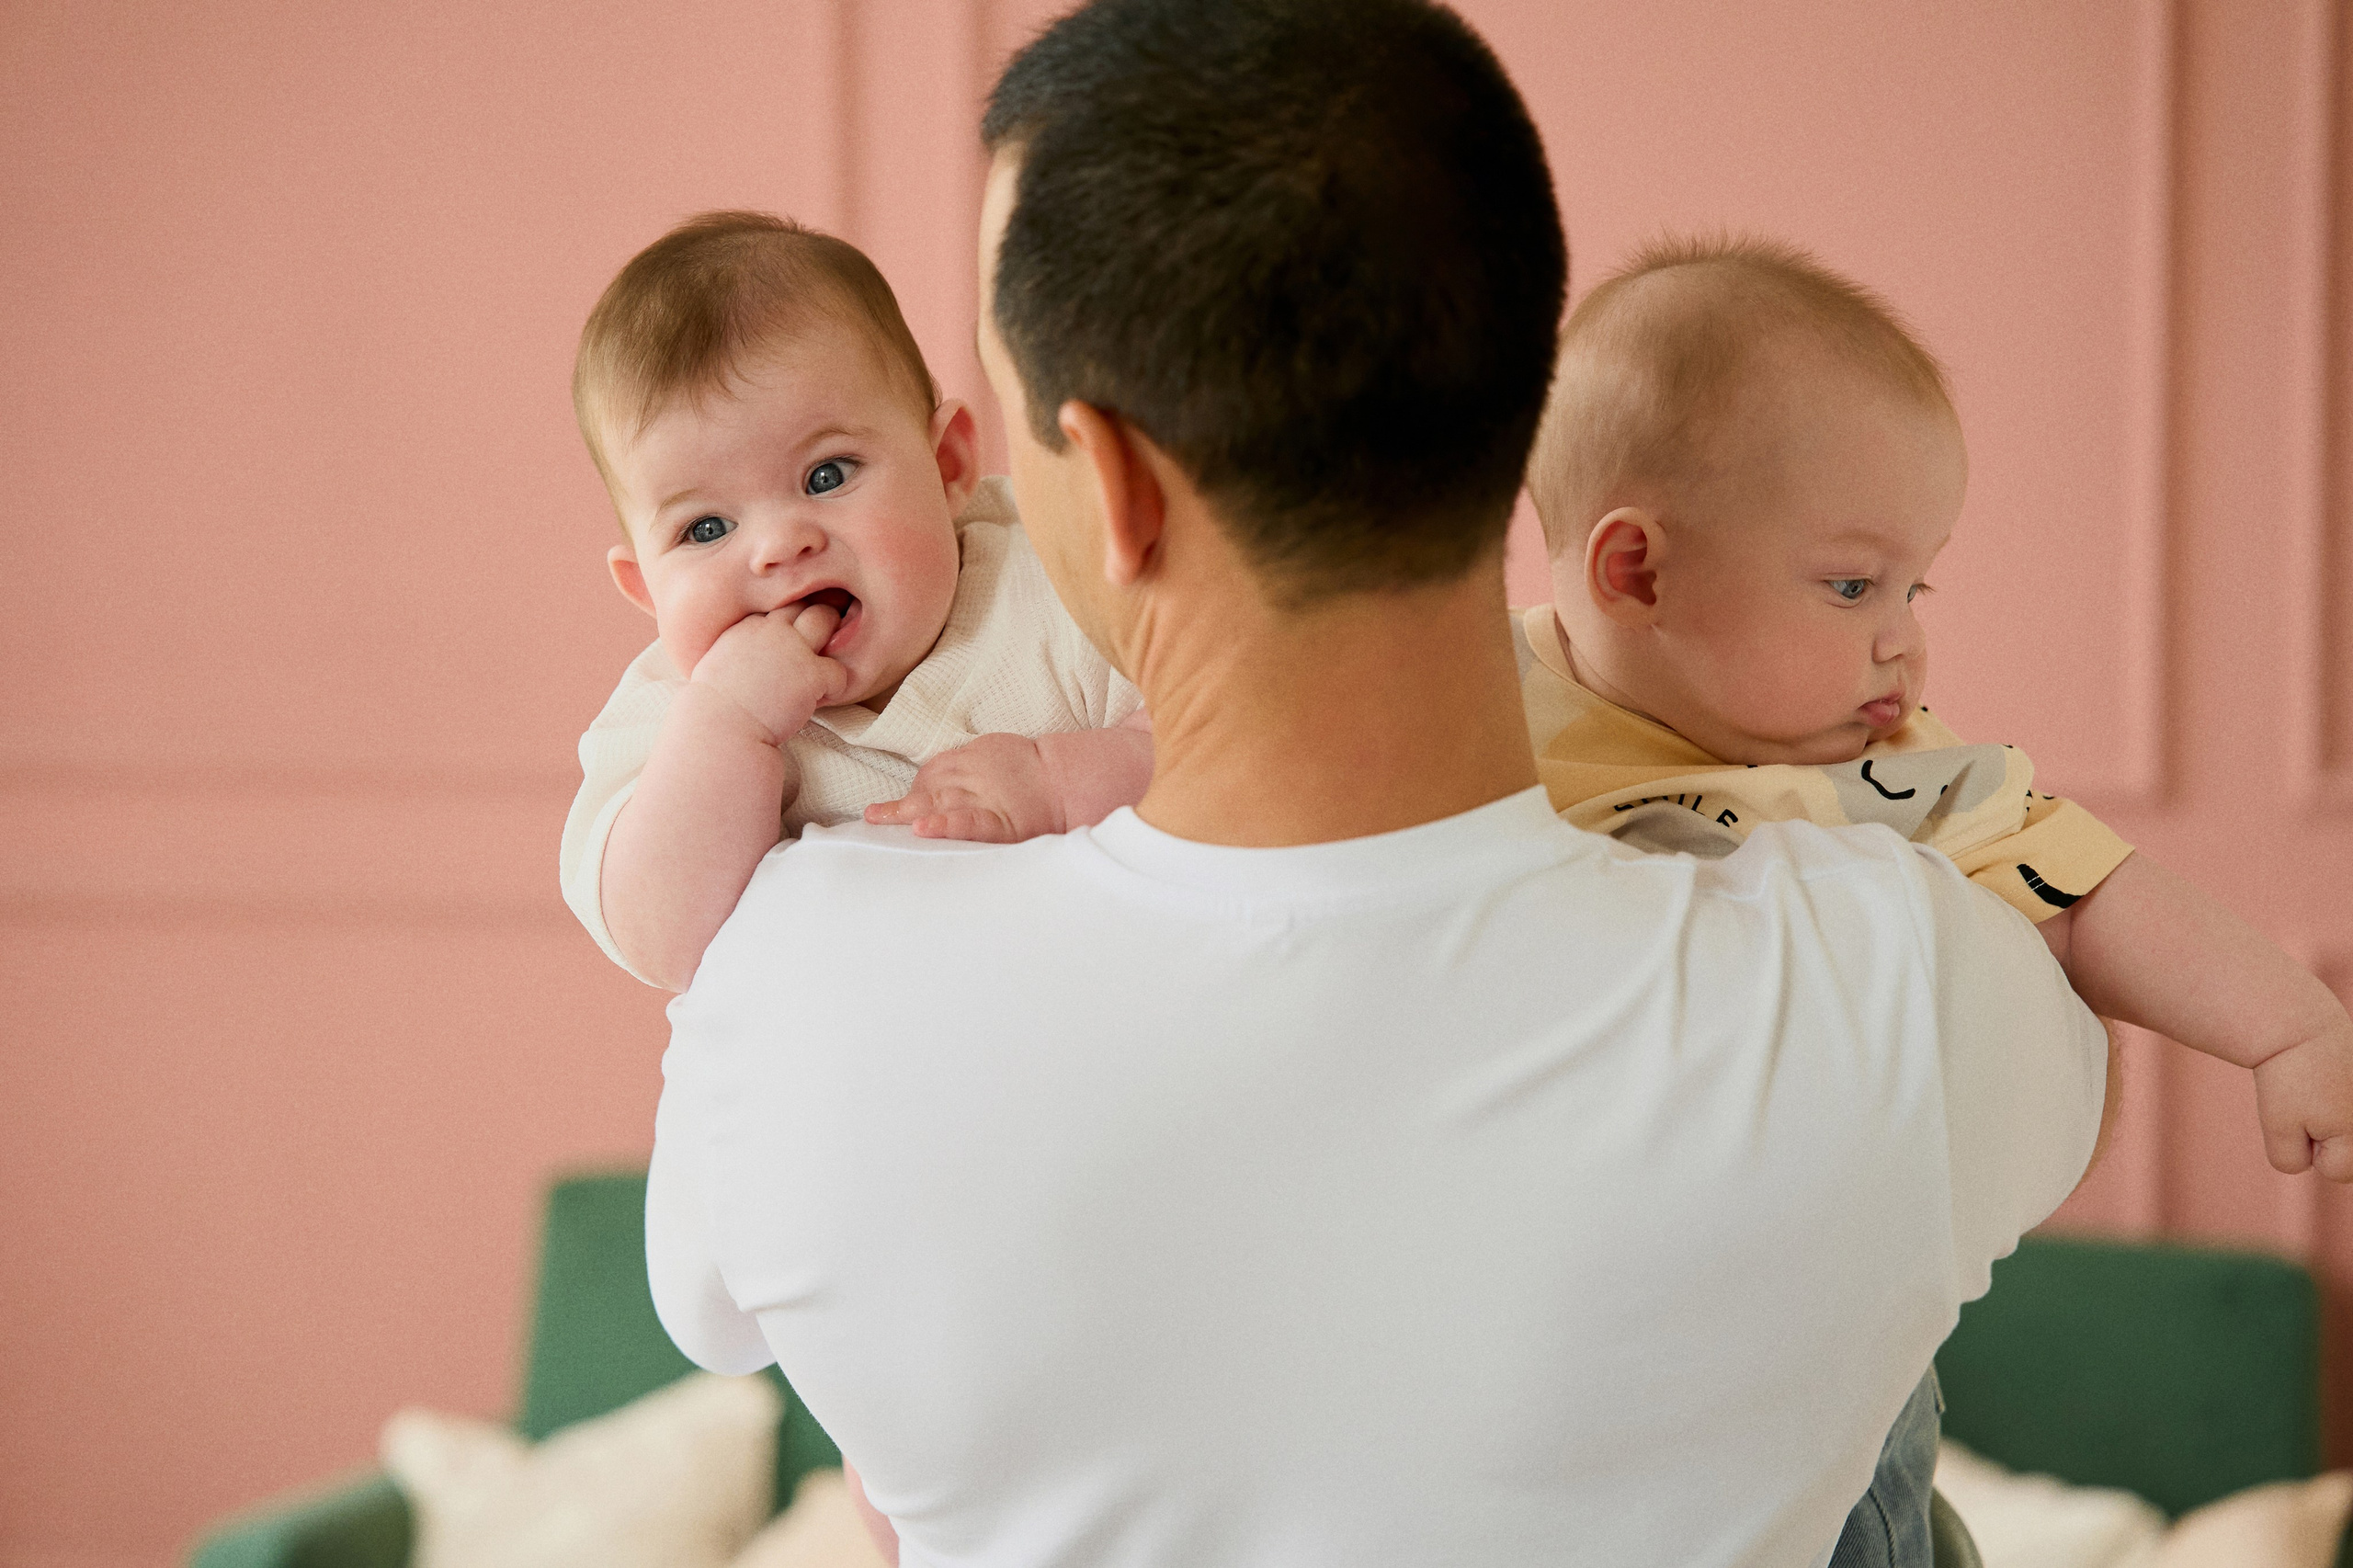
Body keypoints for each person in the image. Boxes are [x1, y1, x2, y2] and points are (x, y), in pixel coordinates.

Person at [646, 3, 2113, 1564]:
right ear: (1514, 421)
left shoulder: (799, 992)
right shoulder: (1908, 985)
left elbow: (716, 1301)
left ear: (1121, 484)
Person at [1518, 233, 2353, 1566]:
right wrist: (1055, 774)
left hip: (1844, 1380)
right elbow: (1248, 771)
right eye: (1854, 584)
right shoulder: (1468, 718)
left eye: (1917, 582)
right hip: (1590, 1360)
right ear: (1638, 572)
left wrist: (2291, 1027)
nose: (1905, 634)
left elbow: (2092, 893)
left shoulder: (1898, 772)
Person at [559, 211, 1152, 990]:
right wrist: (728, 725)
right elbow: (665, 939)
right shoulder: (675, 719)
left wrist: (1061, 779)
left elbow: (1232, 747)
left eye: (827, 476)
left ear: (948, 467)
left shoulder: (1053, 573)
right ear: (645, 589)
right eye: (705, 528)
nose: (777, 545)